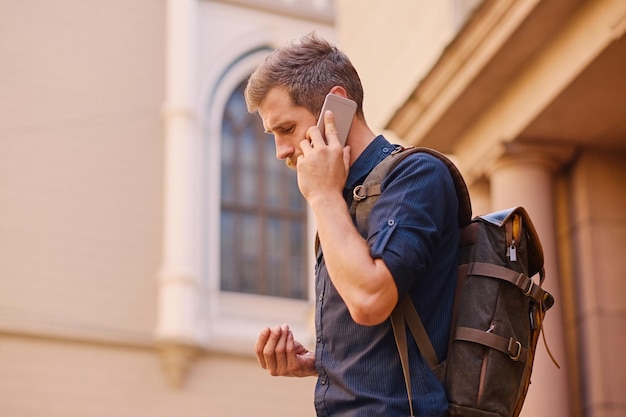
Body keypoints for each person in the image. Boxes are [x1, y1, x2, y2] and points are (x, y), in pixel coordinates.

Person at [244, 32, 459, 417]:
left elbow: (370, 300)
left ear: (336, 106)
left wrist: (323, 197)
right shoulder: (341, 200)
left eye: (287, 129)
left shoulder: (415, 174)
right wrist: (321, 364)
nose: (281, 151)